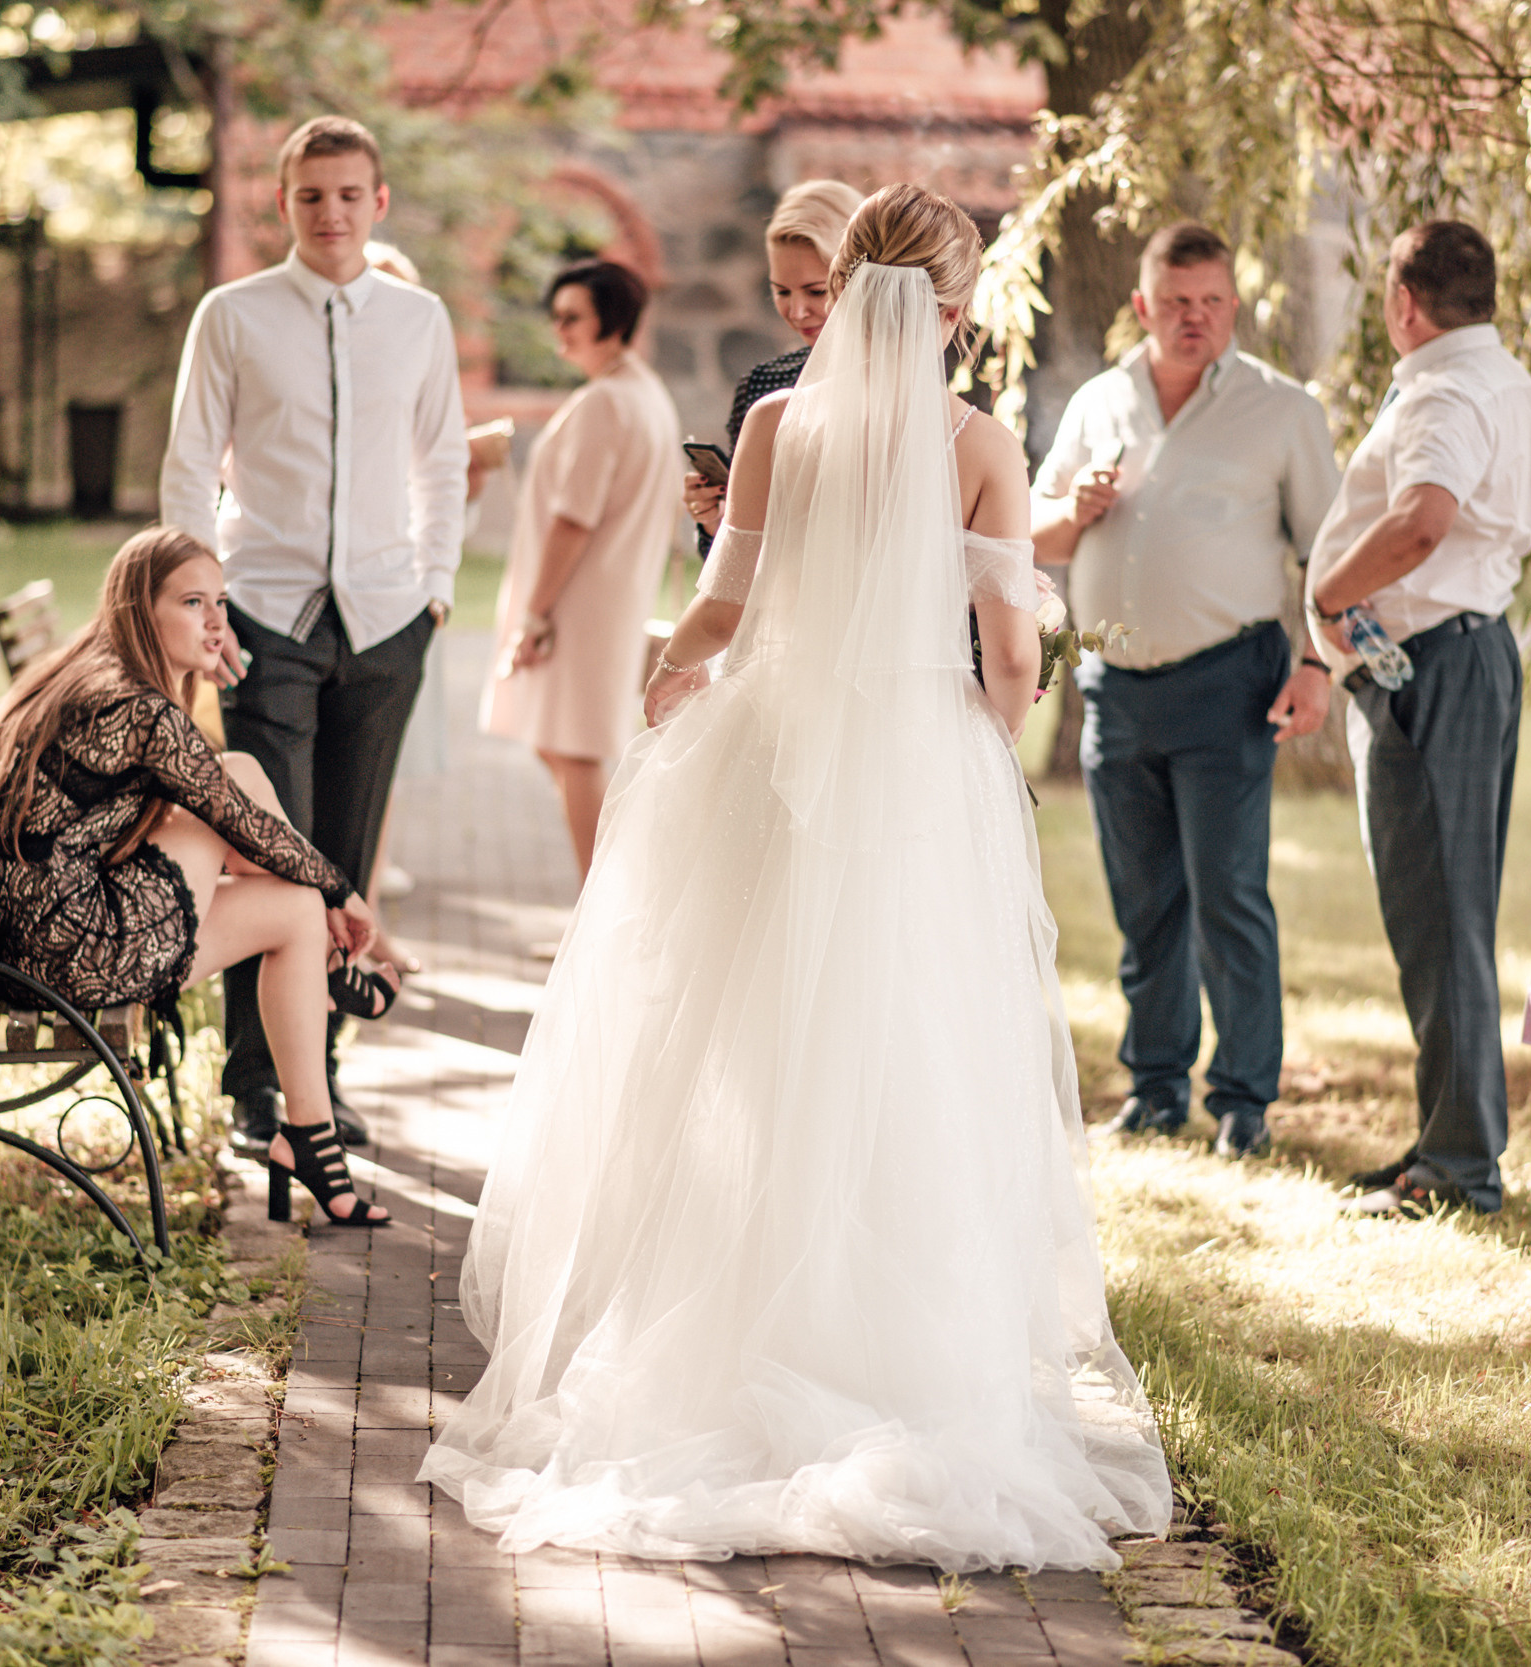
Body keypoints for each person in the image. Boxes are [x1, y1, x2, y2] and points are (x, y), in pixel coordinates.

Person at [420, 185, 1174, 1570]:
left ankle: (728, 1338)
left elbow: (725, 602)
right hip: (911, 761)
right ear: (951, 307)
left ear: (850, 283)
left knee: (746, 1047)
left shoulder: (776, 426)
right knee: (910, 1053)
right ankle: (899, 1361)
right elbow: (1011, 651)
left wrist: (669, 675)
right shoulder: (976, 443)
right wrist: (980, 747)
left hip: (769, 756)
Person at [160, 116, 469, 1159]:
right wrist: (201, 613)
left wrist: (435, 587)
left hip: (388, 622)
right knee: (273, 856)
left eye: (348, 195)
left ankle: (318, 1083)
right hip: (262, 621)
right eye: (309, 196)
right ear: (283, 205)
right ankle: (258, 1088)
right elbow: (189, 464)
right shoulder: (234, 315)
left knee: (344, 852)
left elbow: (443, 460)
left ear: (378, 203)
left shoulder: (420, 320)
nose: (330, 212)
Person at [0, 527, 409, 1226]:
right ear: (142, 611)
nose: (215, 622)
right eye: (193, 602)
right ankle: (333, 959)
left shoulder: (100, 676)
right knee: (237, 806)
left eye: (222, 604)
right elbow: (243, 830)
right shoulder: (139, 711)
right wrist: (345, 894)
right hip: (72, 951)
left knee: (282, 886)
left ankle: (312, 1141)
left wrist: (319, 894)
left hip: (35, 938)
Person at [1030, 222, 1341, 1156]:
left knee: (1229, 891)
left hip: (1228, 682)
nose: (1194, 318)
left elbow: (1326, 552)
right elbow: (1035, 533)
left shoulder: (1283, 411)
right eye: (1175, 303)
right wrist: (1072, 511)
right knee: (1143, 895)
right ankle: (1156, 1083)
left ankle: (1243, 1096)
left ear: (1232, 305)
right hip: (1112, 686)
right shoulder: (1097, 400)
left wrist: (1319, 662)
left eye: (1210, 302)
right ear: (1142, 306)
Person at [1302, 222, 1531, 1220]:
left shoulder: (1443, 390)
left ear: (1403, 302)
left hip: (1432, 669)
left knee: (1438, 915)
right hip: (1461, 656)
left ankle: (1457, 1166)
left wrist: (1326, 596)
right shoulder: (1506, 379)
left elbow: (1420, 521)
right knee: (1440, 914)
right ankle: (1443, 1141)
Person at [481, 260, 683, 882]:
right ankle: (611, 909)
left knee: (575, 754)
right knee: (567, 749)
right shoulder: (646, 393)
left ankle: (606, 918)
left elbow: (574, 518)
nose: (559, 330)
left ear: (611, 322)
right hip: (610, 595)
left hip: (581, 603)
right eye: (557, 317)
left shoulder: (604, 403)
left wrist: (536, 612)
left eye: (573, 318)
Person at [684, 179, 866, 549]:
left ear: (860, 280)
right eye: (781, 291)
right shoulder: (762, 386)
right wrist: (712, 525)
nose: (797, 312)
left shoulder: (903, 385)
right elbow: (729, 571)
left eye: (816, 291)